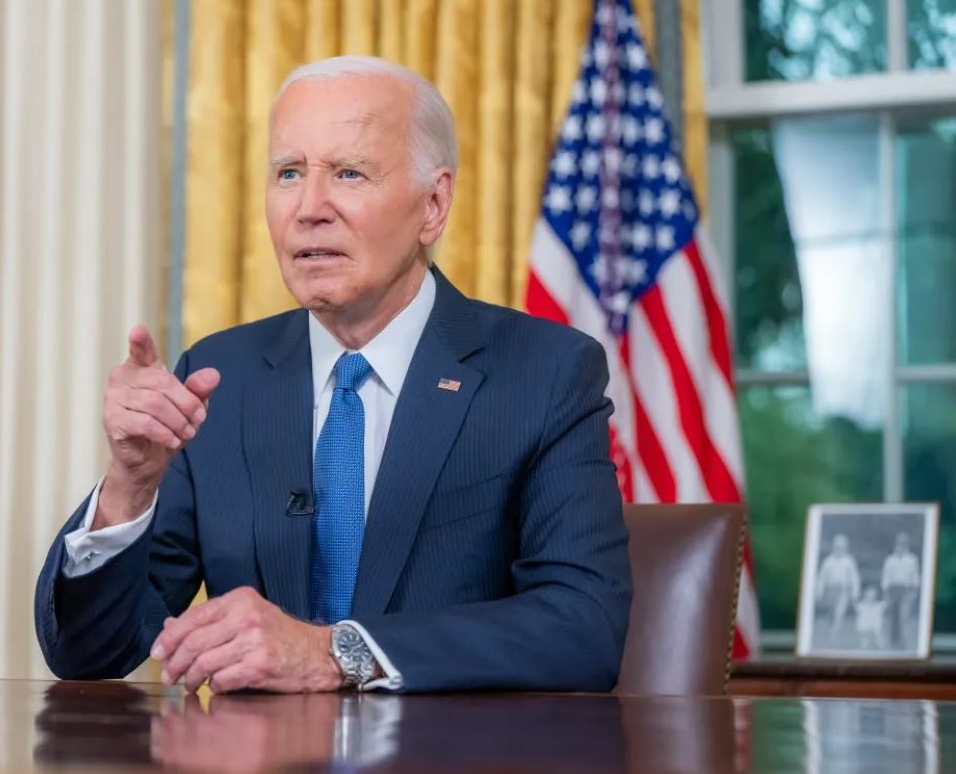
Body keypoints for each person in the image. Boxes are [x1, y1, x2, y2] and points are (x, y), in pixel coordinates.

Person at [33, 55, 632, 693]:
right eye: (288, 173)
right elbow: (91, 655)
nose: (309, 208)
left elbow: (583, 625)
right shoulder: (220, 378)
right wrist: (130, 485)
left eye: (349, 173)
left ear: (433, 204)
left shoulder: (542, 372)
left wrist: (335, 653)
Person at [815, 534, 861, 638]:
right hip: (830, 589)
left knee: (839, 613)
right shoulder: (828, 561)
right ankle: (830, 628)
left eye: (842, 547)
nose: (840, 549)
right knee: (831, 613)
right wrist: (819, 591)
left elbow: (854, 577)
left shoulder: (849, 560)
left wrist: (855, 592)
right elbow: (822, 577)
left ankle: (834, 633)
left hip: (843, 590)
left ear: (846, 548)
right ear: (834, 547)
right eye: (837, 546)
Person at [881, 532, 921, 649]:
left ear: (907, 544)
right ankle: (893, 642)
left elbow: (915, 576)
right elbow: (886, 576)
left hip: (906, 589)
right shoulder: (890, 559)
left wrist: (914, 591)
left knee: (904, 616)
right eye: (899, 543)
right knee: (893, 617)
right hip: (893, 589)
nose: (901, 545)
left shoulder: (912, 559)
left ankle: (903, 642)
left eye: (903, 543)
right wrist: (885, 592)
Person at [854, 585, 886, 650]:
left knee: (879, 639)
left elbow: (886, 603)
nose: (870, 596)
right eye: (868, 594)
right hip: (865, 625)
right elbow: (857, 608)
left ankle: (878, 643)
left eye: (872, 594)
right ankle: (866, 642)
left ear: (875, 595)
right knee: (864, 642)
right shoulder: (861, 604)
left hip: (875, 625)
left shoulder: (879, 605)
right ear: (865, 594)